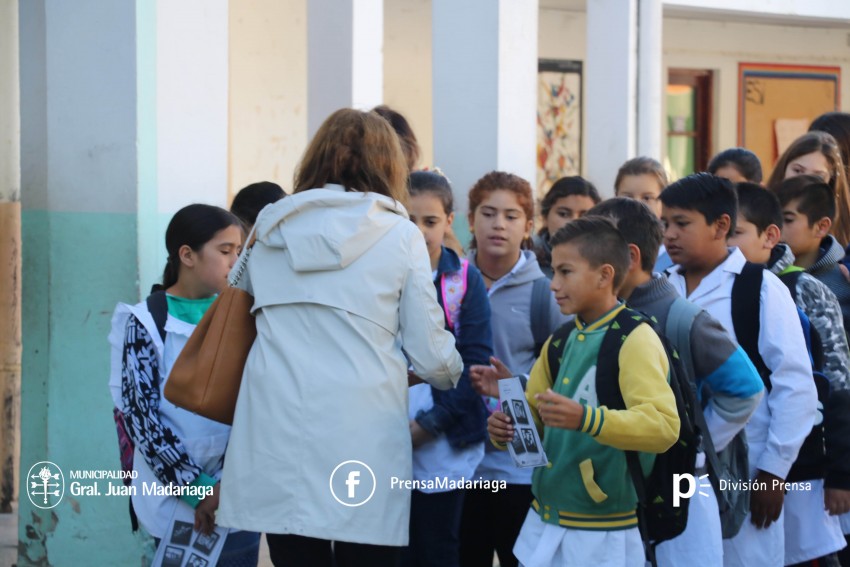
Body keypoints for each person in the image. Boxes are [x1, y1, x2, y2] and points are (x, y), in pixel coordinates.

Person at [215, 108, 463, 567]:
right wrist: (450, 373)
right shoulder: (400, 235)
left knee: (294, 553)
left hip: (273, 425)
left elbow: (237, 306)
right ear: (388, 165)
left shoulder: (268, 227)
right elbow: (433, 358)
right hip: (363, 431)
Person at [486, 216, 680, 567]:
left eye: (565, 272)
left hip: (604, 530)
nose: (553, 284)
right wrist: (508, 424)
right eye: (554, 271)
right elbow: (533, 436)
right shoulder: (559, 341)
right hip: (545, 519)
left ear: (605, 275)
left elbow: (663, 427)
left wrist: (586, 419)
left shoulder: (635, 338)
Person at [590, 197, 764, 567]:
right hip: (612, 491)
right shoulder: (594, 316)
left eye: (595, 244)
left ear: (630, 257)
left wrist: (693, 445)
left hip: (677, 494)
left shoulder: (681, 319)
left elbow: (746, 389)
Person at [660, 173, 817, 567]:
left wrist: (774, 472)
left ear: (721, 226)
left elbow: (796, 385)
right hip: (677, 468)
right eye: (665, 224)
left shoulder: (760, 289)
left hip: (746, 469)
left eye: (682, 223)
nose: (670, 235)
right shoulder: (661, 289)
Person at [107, 204, 260, 565]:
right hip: (172, 496)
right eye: (225, 252)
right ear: (187, 255)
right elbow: (143, 419)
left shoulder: (244, 315)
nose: (235, 262)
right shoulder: (144, 322)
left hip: (236, 493)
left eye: (240, 252)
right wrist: (198, 489)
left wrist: (227, 486)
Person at [728, 183, 850, 565]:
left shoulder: (802, 288)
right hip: (738, 467)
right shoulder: (702, 285)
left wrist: (840, 474)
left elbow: (836, 383)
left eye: (736, 232)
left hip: (802, 466)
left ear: (770, 234)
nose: (727, 242)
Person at [459, 171, 567, 567]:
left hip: (518, 462)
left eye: (511, 215)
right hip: (457, 460)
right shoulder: (452, 281)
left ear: (528, 226)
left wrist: (512, 388)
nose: (499, 224)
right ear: (470, 220)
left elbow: (562, 372)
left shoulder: (546, 290)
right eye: (488, 213)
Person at [403, 170, 494, 567]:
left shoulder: (463, 282)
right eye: (407, 221)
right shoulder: (377, 279)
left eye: (430, 221)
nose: (419, 232)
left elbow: (474, 361)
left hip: (444, 439)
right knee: (393, 549)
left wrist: (431, 424)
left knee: (438, 546)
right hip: (386, 436)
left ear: (449, 221)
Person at [771, 175, 850, 341]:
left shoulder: (842, 284)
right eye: (772, 217)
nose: (775, 227)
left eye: (787, 219)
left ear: (821, 227)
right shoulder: (761, 272)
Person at [766, 131, 850, 247]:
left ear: (831, 180)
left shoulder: (843, 227)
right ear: (784, 168)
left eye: (817, 176)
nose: (805, 181)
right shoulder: (759, 210)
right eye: (797, 170)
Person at [533, 176, 601, 279]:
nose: (573, 222)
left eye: (584, 216)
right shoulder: (527, 264)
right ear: (545, 218)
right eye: (564, 214)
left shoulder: (605, 266)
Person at [613, 156, 672, 272]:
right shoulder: (604, 250)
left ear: (663, 202)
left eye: (647, 198)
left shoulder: (674, 258)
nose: (636, 205)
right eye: (627, 197)